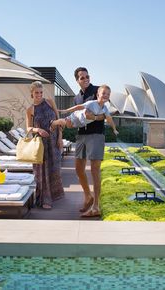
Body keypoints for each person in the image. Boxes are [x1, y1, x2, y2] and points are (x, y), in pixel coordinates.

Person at [72, 67, 106, 217]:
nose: (85, 79)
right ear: (77, 80)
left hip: (96, 135)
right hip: (81, 135)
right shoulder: (76, 98)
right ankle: (88, 196)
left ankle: (96, 206)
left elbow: (107, 112)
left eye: (87, 77)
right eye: (82, 78)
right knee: (78, 168)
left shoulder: (98, 91)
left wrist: (95, 117)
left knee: (94, 170)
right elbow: (76, 117)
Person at [25, 81, 64, 209]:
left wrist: (60, 138)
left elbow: (59, 122)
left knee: (55, 169)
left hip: (53, 142)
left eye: (41, 92)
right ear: (31, 94)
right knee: (41, 172)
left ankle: (54, 195)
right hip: (40, 144)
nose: (39, 95)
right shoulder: (30, 109)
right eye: (36, 93)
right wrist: (38, 130)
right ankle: (44, 200)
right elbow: (28, 128)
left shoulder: (49, 102)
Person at [52, 84, 119, 136]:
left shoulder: (105, 109)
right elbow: (79, 107)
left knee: (68, 125)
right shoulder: (92, 103)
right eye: (103, 93)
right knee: (66, 121)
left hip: (81, 123)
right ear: (98, 95)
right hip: (76, 116)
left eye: (108, 94)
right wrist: (66, 110)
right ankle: (54, 122)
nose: (106, 95)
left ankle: (58, 126)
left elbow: (110, 119)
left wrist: (114, 129)